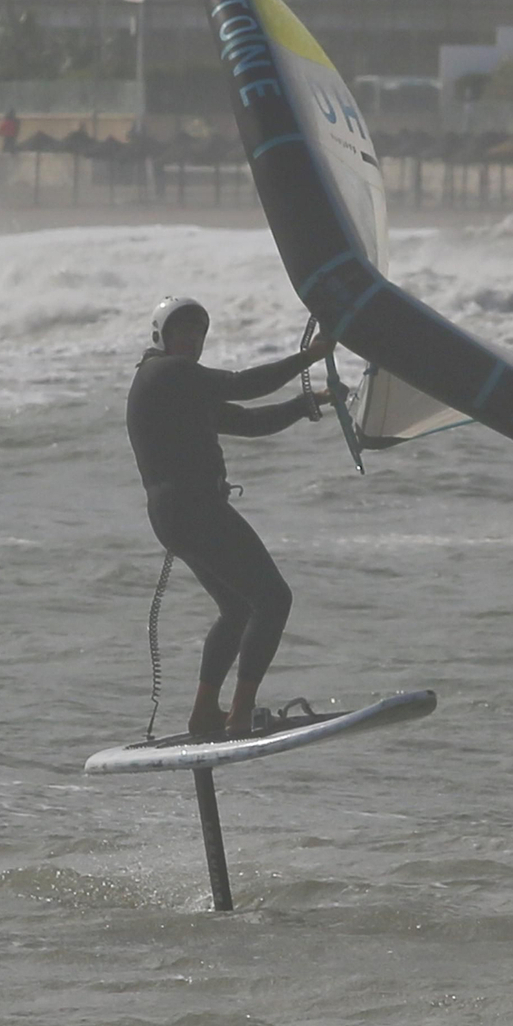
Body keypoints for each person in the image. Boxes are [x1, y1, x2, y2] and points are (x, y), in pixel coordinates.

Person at [126, 296, 333, 740]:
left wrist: (308, 403)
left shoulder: (176, 388)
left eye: (200, 335)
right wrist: (308, 357)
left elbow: (247, 422)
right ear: (162, 336)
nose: (194, 342)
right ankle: (240, 714)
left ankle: (205, 713)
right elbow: (244, 384)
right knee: (274, 599)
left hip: (176, 516)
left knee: (238, 608)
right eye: (185, 333)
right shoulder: (167, 372)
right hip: (194, 509)